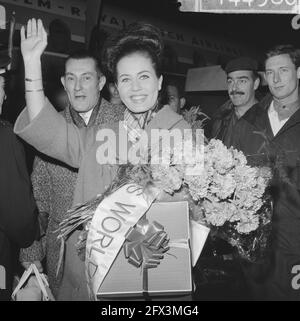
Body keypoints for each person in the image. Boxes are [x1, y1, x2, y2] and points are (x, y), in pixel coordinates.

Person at [14, 19, 190, 300]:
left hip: (153, 275)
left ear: (159, 82)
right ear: (116, 88)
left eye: (143, 77)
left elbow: (192, 216)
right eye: (125, 79)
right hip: (91, 275)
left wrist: (139, 232)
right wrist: (32, 62)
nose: (135, 88)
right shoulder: (100, 136)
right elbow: (46, 128)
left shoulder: (179, 132)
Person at [19, 50, 125, 298]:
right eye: (71, 78)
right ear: (63, 83)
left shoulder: (125, 123)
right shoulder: (49, 130)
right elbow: (39, 197)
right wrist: (32, 254)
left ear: (100, 83)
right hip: (63, 257)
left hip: (116, 253)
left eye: (86, 78)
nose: (78, 86)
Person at [232, 45, 300, 300]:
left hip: (295, 245)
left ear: (298, 72)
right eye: (270, 72)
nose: (276, 78)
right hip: (254, 246)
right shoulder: (249, 120)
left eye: (283, 70)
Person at [0, 55, 39, 301]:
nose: (4, 96)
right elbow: (18, 217)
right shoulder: (4, 138)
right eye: (1, 88)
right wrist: (33, 230)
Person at [210, 57, 260, 146]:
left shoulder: (268, 119)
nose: (234, 88)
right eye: (230, 81)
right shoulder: (220, 119)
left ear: (255, 84)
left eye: (242, 81)